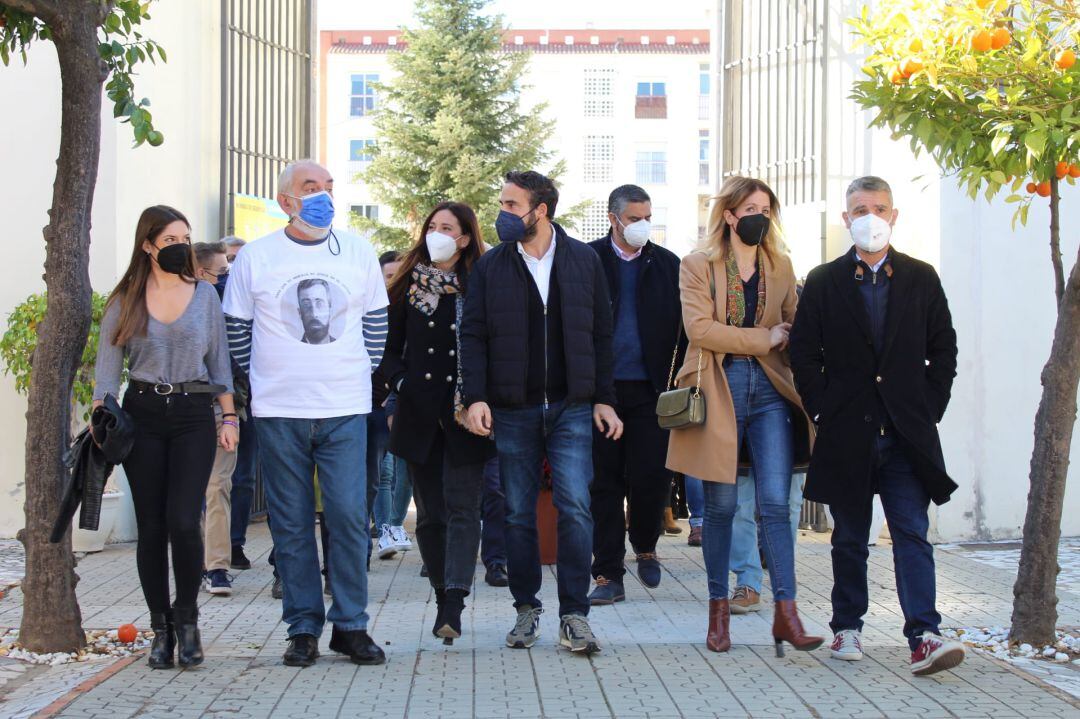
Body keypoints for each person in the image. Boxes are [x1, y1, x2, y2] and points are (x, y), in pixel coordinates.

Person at [788, 175, 965, 676]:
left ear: (894, 215)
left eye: (880, 208)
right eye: (860, 208)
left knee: (911, 532)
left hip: (906, 434)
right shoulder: (823, 280)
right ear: (846, 218)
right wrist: (822, 408)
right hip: (848, 431)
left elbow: (944, 350)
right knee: (848, 538)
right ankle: (848, 626)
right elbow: (804, 353)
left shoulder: (920, 277)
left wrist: (928, 407)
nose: (871, 217)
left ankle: (924, 636)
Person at [223, 159, 387, 668]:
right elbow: (236, 328)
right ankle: (302, 628)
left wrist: (352, 372)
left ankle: (352, 626)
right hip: (279, 411)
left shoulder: (357, 251)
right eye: (310, 187)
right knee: (291, 524)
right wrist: (272, 378)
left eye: (328, 187)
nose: (322, 195)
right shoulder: (258, 257)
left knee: (348, 518)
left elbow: (376, 326)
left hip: (344, 408)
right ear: (286, 201)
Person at [461, 170, 622, 655]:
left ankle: (574, 614)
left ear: (541, 210)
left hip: (572, 405)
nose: (502, 213)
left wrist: (604, 397)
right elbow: (472, 334)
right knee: (516, 513)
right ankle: (526, 608)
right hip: (512, 408)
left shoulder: (583, 261)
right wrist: (476, 396)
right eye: (503, 203)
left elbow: (601, 335)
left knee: (575, 507)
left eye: (512, 205)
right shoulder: (491, 267)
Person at [666, 176, 821, 656]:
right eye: (751, 208)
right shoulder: (698, 265)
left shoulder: (782, 265)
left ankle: (787, 614)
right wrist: (765, 337)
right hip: (718, 386)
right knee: (721, 507)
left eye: (767, 208)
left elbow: (794, 327)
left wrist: (784, 337)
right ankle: (718, 615)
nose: (761, 216)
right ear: (730, 215)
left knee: (776, 506)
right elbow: (701, 330)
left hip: (772, 390)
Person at [93, 206, 237, 669]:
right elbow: (106, 375)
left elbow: (220, 364)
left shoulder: (205, 296)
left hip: (194, 413)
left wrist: (229, 417)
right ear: (148, 246)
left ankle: (189, 619)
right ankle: (161, 628)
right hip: (143, 414)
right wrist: (101, 419)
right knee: (152, 528)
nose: (180, 246)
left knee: (182, 520)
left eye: (186, 237)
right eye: (171, 238)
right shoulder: (125, 300)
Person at [378, 201, 495, 642]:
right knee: (429, 515)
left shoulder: (480, 284)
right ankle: (440, 586)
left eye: (447, 228)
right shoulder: (408, 285)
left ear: (465, 238)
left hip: (467, 411)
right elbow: (385, 349)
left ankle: (453, 602)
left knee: (465, 509)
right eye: (432, 226)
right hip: (419, 411)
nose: (437, 233)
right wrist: (403, 383)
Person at [586, 184, 682, 605]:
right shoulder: (587, 260)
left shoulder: (668, 265)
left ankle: (645, 544)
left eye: (648, 218)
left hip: (652, 392)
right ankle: (607, 574)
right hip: (600, 393)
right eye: (634, 218)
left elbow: (685, 327)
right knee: (603, 485)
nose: (642, 225)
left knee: (650, 478)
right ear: (613, 218)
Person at [192, 241, 237, 596]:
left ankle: (217, 567)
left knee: (216, 486)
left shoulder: (233, 312)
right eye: (222, 273)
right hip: (186, 411)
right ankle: (196, 561)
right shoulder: (183, 310)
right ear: (199, 272)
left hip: (225, 411)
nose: (227, 280)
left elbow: (233, 368)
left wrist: (232, 415)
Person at [370, 249, 413, 559]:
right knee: (382, 473)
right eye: (389, 276)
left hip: (402, 400)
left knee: (404, 470)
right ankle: (385, 529)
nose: (394, 282)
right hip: (372, 403)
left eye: (400, 276)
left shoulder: (412, 311)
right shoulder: (370, 310)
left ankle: (394, 525)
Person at [479, 456, 509, 587]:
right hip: (456, 438)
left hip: (495, 439)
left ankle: (495, 562)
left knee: (497, 489)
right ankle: (437, 556)